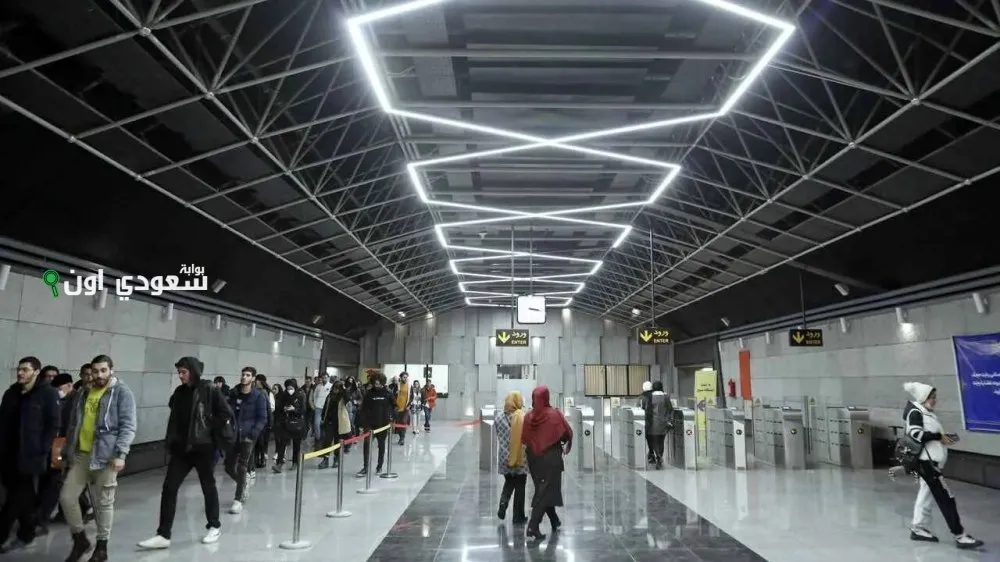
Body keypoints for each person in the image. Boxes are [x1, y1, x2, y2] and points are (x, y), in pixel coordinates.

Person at [138, 357, 233, 550]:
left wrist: (209, 427)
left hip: (204, 447)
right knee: (169, 487)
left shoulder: (208, 389)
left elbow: (225, 413)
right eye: (179, 372)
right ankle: (163, 534)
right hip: (182, 449)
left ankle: (214, 526)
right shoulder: (180, 392)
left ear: (193, 371)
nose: (180, 376)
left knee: (208, 485)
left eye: (184, 372)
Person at [60, 355, 137, 562]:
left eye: (103, 370)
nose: (99, 375)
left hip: (106, 456)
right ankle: (80, 540)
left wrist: (120, 454)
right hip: (81, 455)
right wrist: (67, 452)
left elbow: (128, 426)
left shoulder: (121, 392)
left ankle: (101, 548)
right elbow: (73, 425)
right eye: (95, 371)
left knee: (104, 503)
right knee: (67, 498)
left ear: (111, 370)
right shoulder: (83, 392)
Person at [903, 382, 983, 549]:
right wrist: (938, 437)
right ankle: (959, 535)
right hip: (927, 463)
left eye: (935, 397)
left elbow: (930, 436)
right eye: (932, 397)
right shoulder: (916, 412)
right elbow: (915, 434)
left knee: (925, 494)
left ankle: (918, 528)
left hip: (930, 462)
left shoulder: (925, 412)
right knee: (946, 498)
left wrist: (943, 438)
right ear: (923, 397)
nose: (935, 400)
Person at [0, 356, 60, 553]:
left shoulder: (48, 394)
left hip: (30, 456)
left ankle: (6, 535)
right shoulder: (11, 393)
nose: (20, 373)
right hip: (8, 455)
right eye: (19, 369)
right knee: (23, 497)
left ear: (36, 372)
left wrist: (42, 449)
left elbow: (53, 424)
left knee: (15, 497)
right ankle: (30, 530)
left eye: (25, 369)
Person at [520, 385, 572, 541]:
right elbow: (565, 434)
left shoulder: (528, 416)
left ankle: (554, 520)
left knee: (542, 489)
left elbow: (524, 438)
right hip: (551, 458)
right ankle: (533, 526)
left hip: (533, 459)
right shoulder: (554, 415)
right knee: (545, 490)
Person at [36, 372, 77, 535]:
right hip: (54, 446)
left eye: (60, 388)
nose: (59, 392)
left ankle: (42, 519)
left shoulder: (75, 400)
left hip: (62, 447)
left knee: (55, 482)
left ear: (69, 385)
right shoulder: (56, 399)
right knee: (52, 481)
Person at [225, 367, 267, 514]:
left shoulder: (258, 396)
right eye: (243, 374)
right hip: (233, 435)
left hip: (248, 436)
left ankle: (238, 500)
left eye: (248, 375)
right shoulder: (233, 393)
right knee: (229, 467)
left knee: (242, 466)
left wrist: (253, 434)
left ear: (253, 378)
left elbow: (262, 418)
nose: (244, 377)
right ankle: (243, 484)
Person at [496, 391, 528, 524]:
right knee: (520, 486)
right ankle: (518, 516)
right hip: (520, 458)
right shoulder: (522, 417)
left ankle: (503, 503)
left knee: (509, 482)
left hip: (504, 458)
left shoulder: (498, 418)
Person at [356, 372, 393, 477]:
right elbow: (363, 409)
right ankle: (365, 467)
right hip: (370, 425)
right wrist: (363, 423)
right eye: (375, 383)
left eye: (378, 383)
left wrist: (391, 419)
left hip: (383, 424)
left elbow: (393, 406)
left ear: (382, 383)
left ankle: (379, 466)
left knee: (381, 445)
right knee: (367, 445)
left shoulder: (388, 394)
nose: (377, 385)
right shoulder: (369, 394)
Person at [272, 379, 307, 473]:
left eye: (291, 388)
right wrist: (284, 408)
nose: (289, 390)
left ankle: (295, 462)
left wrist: (294, 409)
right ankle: (279, 463)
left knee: (296, 444)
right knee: (282, 443)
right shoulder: (284, 396)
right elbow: (278, 407)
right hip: (286, 422)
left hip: (297, 423)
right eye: (288, 388)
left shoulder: (300, 395)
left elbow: (303, 410)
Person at [317, 379, 351, 470]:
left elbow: (348, 398)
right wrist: (322, 417)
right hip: (329, 421)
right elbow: (325, 407)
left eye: (338, 388)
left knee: (337, 441)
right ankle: (325, 459)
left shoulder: (343, 397)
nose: (335, 390)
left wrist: (344, 389)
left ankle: (336, 458)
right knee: (327, 440)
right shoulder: (330, 396)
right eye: (334, 388)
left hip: (340, 422)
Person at [647, 381, 673, 469]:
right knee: (661, 441)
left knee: (654, 440)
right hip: (663, 422)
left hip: (653, 423)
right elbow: (670, 409)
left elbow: (647, 409)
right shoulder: (665, 397)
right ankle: (659, 457)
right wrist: (668, 419)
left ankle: (658, 456)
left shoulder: (650, 397)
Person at [253, 374, 274, 470]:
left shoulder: (265, 392)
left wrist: (270, 421)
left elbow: (269, 408)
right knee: (256, 442)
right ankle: (256, 459)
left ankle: (262, 459)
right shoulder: (252, 391)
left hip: (262, 421)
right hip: (253, 420)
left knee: (261, 442)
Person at [310, 374, 332, 444]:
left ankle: (324, 440)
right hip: (318, 407)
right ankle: (318, 439)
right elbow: (315, 396)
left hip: (327, 408)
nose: (324, 379)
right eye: (323, 378)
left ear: (328, 378)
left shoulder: (331, 386)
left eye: (325, 377)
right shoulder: (318, 386)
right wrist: (315, 404)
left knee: (324, 424)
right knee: (316, 424)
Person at [393, 372, 412, 445]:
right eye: (404, 377)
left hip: (405, 407)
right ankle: (400, 437)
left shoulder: (409, 386)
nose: (405, 378)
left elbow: (412, 396)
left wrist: (409, 405)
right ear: (400, 378)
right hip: (398, 407)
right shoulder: (397, 385)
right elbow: (393, 396)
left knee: (404, 422)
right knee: (398, 423)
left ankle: (402, 438)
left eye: (406, 377)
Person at [640, 381, 654, 463]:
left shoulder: (643, 397)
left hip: (647, 421)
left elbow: (640, 409)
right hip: (656, 420)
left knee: (649, 438)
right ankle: (655, 454)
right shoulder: (655, 396)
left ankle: (651, 453)